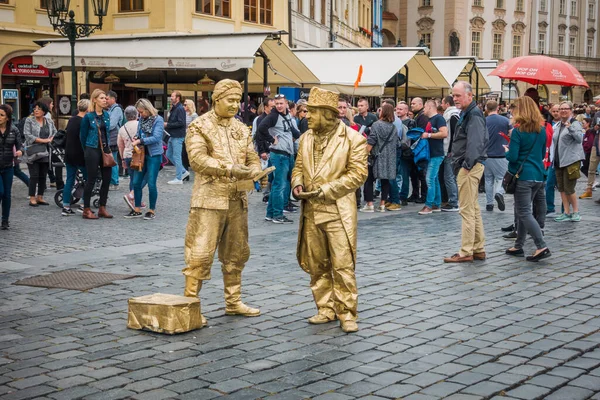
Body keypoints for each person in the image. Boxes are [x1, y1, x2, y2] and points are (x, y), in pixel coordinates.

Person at [182, 79, 263, 326]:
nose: (235, 105)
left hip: (237, 199)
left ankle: (233, 301)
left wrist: (256, 170)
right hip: (209, 200)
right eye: (230, 100)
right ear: (216, 99)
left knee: (236, 253)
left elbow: (251, 155)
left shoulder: (240, 127)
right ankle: (189, 304)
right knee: (200, 253)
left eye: (238, 101)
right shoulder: (199, 126)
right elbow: (197, 160)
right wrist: (229, 168)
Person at [291, 86, 368, 333]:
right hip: (311, 211)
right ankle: (325, 307)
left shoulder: (354, 139)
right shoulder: (305, 138)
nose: (307, 116)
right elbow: (298, 168)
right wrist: (297, 184)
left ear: (327, 113)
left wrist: (325, 190)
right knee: (317, 264)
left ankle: (347, 312)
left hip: (336, 211)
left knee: (342, 265)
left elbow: (358, 174)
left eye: (311, 112)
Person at [444, 82, 488, 263]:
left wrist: (466, 165)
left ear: (469, 96)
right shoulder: (469, 113)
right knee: (473, 209)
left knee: (467, 210)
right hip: (469, 165)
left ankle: (466, 251)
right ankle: (478, 248)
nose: (455, 99)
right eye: (453, 96)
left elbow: (475, 142)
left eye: (458, 95)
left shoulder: (473, 114)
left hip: (469, 166)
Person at [504, 96, 551, 262]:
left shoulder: (518, 131)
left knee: (523, 211)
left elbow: (514, 157)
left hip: (524, 176)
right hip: (539, 174)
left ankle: (541, 245)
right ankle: (518, 245)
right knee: (524, 211)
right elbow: (539, 153)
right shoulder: (542, 131)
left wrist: (507, 150)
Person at [257, 94, 300, 224]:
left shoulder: (285, 115)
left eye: (281, 103)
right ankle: (277, 214)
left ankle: (271, 214)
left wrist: (296, 135)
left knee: (278, 185)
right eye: (277, 103)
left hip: (285, 154)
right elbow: (260, 129)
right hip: (279, 154)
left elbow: (293, 132)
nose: (279, 106)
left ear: (286, 103)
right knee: (279, 186)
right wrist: (271, 140)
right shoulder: (273, 116)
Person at [126, 99, 164, 220]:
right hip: (141, 154)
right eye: (139, 112)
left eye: (142, 112)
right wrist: (136, 137)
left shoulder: (158, 119)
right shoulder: (142, 119)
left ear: (148, 109)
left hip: (154, 155)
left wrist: (140, 140)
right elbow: (139, 132)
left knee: (151, 183)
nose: (140, 114)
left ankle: (151, 210)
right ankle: (137, 208)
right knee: (136, 182)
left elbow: (157, 137)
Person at [79, 89, 113, 220]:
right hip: (92, 149)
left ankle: (102, 207)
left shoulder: (106, 115)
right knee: (91, 179)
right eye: (102, 98)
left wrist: (107, 148)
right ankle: (86, 209)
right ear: (94, 100)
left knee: (107, 178)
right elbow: (82, 136)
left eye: (105, 98)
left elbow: (107, 133)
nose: (105, 100)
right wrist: (87, 151)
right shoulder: (88, 117)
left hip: (105, 149)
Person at [363, 103, 398, 213]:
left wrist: (364, 153)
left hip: (376, 157)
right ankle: (382, 204)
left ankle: (370, 204)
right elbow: (396, 143)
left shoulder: (376, 125)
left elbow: (372, 140)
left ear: (383, 112)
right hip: (389, 158)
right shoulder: (393, 127)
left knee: (369, 180)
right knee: (385, 181)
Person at [553, 101, 585, 222]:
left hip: (570, 160)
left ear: (571, 110)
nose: (563, 111)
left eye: (566, 108)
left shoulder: (574, 123)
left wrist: (570, 127)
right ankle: (566, 212)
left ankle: (576, 211)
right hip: (558, 160)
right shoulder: (558, 125)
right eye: (561, 108)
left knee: (569, 188)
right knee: (561, 188)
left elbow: (578, 139)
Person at [23, 100, 56, 207]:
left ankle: (40, 197)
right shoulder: (29, 121)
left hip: (46, 152)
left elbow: (55, 132)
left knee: (43, 175)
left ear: (44, 111)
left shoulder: (49, 121)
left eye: (39, 109)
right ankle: (32, 197)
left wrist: (51, 138)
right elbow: (27, 135)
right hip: (33, 152)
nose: (36, 110)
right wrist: (44, 140)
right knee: (34, 175)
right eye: (35, 108)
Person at [418, 100, 448, 215]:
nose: (424, 110)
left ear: (430, 107)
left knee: (429, 179)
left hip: (437, 153)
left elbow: (444, 133)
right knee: (434, 179)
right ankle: (436, 203)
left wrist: (428, 135)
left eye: (425, 107)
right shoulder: (430, 120)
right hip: (432, 153)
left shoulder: (439, 119)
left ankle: (428, 205)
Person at [61, 99, 89, 216]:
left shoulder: (71, 120)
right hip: (80, 154)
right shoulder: (84, 121)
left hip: (69, 153)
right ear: (88, 108)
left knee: (69, 180)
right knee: (88, 179)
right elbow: (84, 138)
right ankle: (83, 204)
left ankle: (66, 205)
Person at [484, 100, 512, 212]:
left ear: (486, 108)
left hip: (487, 154)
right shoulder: (505, 120)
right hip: (501, 153)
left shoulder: (484, 121)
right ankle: (499, 193)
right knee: (501, 178)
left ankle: (489, 203)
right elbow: (511, 133)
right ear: (498, 108)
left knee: (488, 179)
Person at [118, 106, 145, 211]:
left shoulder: (122, 128)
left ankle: (133, 199)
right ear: (137, 114)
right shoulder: (140, 125)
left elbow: (120, 145)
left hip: (127, 155)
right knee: (140, 178)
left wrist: (122, 159)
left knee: (132, 178)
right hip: (139, 155)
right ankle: (134, 197)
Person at [0, 104, 22, 229]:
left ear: (7, 118)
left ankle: (5, 220)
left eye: (2, 115)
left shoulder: (14, 130)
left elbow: (20, 146)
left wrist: (20, 151)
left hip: (8, 166)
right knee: (0, 191)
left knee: (7, 194)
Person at [441, 96, 460, 212]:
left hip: (450, 150)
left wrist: (451, 150)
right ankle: (451, 200)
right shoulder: (454, 114)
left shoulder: (452, 115)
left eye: (443, 103)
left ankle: (453, 202)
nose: (441, 106)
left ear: (447, 104)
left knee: (449, 177)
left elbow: (454, 134)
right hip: (451, 149)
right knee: (449, 176)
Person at [165, 91, 189, 184]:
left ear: (178, 98)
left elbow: (181, 123)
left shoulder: (179, 108)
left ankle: (179, 178)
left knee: (176, 156)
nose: (171, 98)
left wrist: (168, 124)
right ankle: (183, 171)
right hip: (173, 135)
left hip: (178, 136)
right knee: (169, 155)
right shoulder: (175, 108)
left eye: (172, 96)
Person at [106, 91, 124, 190]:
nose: (106, 100)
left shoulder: (116, 110)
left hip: (113, 138)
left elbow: (112, 124)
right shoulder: (109, 109)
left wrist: (102, 126)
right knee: (111, 159)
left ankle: (114, 182)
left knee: (113, 160)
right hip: (110, 138)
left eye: (107, 98)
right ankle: (112, 180)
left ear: (113, 99)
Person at [579, 118, 598, 199]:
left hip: (592, 148)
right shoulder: (597, 116)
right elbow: (593, 130)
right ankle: (589, 189)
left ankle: (592, 186)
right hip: (594, 147)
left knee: (588, 168)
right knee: (590, 169)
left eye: (584, 123)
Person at [181, 99, 198, 175]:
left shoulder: (194, 115)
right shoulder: (183, 114)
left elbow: (195, 126)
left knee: (189, 154)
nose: (183, 106)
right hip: (183, 136)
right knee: (183, 154)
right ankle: (185, 171)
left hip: (190, 137)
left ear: (189, 106)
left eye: (185, 105)